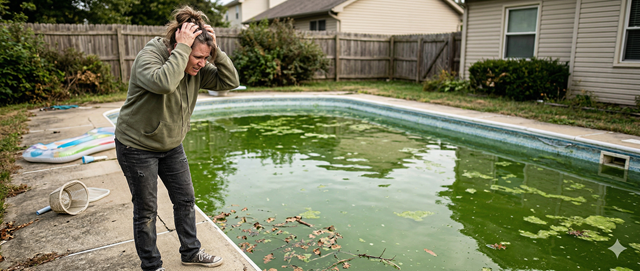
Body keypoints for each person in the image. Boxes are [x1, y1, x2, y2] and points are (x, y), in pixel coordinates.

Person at [114, 5, 239, 271]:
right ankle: (152, 265)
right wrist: (184, 49)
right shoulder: (149, 56)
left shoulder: (198, 65)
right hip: (137, 146)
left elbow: (230, 82)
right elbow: (164, 83)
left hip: (171, 145)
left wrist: (216, 52)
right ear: (176, 47)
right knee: (147, 211)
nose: (201, 63)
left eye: (206, 58)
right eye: (198, 57)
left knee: (185, 200)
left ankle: (191, 252)